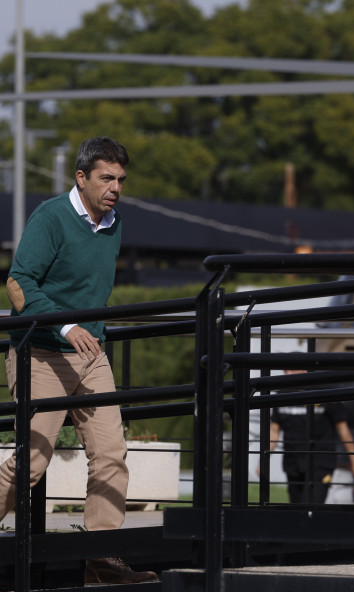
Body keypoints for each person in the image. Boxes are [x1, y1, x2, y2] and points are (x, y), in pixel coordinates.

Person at [2, 137, 158, 585]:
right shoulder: (51, 217)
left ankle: (101, 561)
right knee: (32, 461)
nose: (115, 188)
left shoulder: (114, 222)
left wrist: (85, 333)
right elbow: (18, 283)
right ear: (82, 177)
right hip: (43, 353)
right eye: (106, 178)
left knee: (111, 454)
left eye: (121, 180)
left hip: (91, 357)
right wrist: (66, 326)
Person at [269, 371, 354, 504]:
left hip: (321, 463)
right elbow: (274, 431)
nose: (289, 373)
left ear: (305, 371)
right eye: (287, 370)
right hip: (293, 465)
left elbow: (343, 429)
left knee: (311, 508)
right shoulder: (281, 395)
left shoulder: (325, 392)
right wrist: (263, 459)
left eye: (293, 369)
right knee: (296, 509)